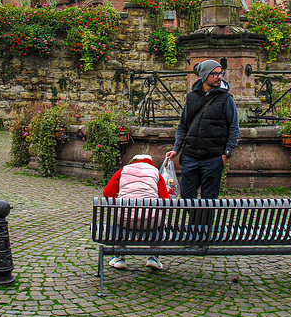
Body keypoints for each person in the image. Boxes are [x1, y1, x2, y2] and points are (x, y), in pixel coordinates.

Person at [165, 60, 239, 199]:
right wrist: (176, 148)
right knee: (187, 197)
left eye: (220, 73)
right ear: (205, 75)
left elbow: (234, 128)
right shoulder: (192, 97)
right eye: (215, 74)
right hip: (191, 156)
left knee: (209, 200)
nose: (219, 77)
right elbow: (183, 125)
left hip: (213, 157)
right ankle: (193, 221)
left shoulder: (226, 99)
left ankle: (204, 222)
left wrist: (226, 153)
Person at [102, 154, 170, 271]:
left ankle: (119, 258)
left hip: (125, 220)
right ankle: (154, 257)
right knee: (160, 218)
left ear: (133, 161)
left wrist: (119, 203)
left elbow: (107, 193)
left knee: (121, 216)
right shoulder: (155, 173)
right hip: (151, 222)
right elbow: (165, 200)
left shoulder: (123, 170)